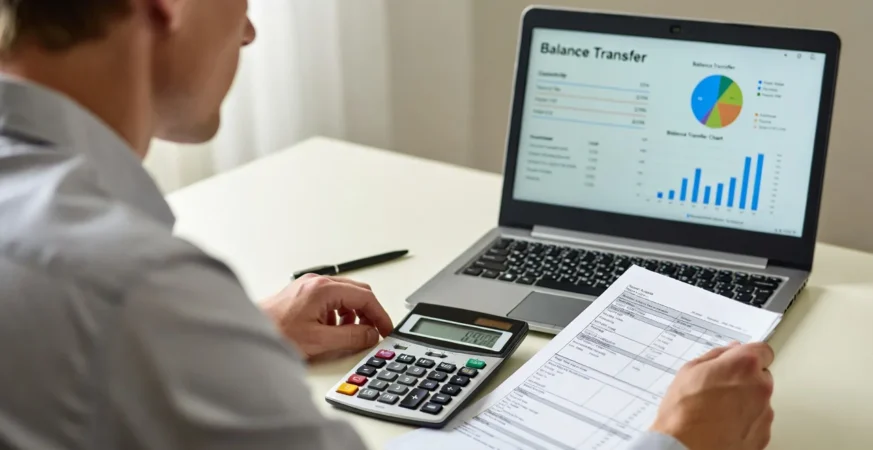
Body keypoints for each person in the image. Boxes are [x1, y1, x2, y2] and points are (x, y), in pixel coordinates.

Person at [0, 1, 775, 449]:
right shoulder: (138, 294)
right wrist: (678, 440)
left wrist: (226, 345)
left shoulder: (114, 290)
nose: (248, 32)